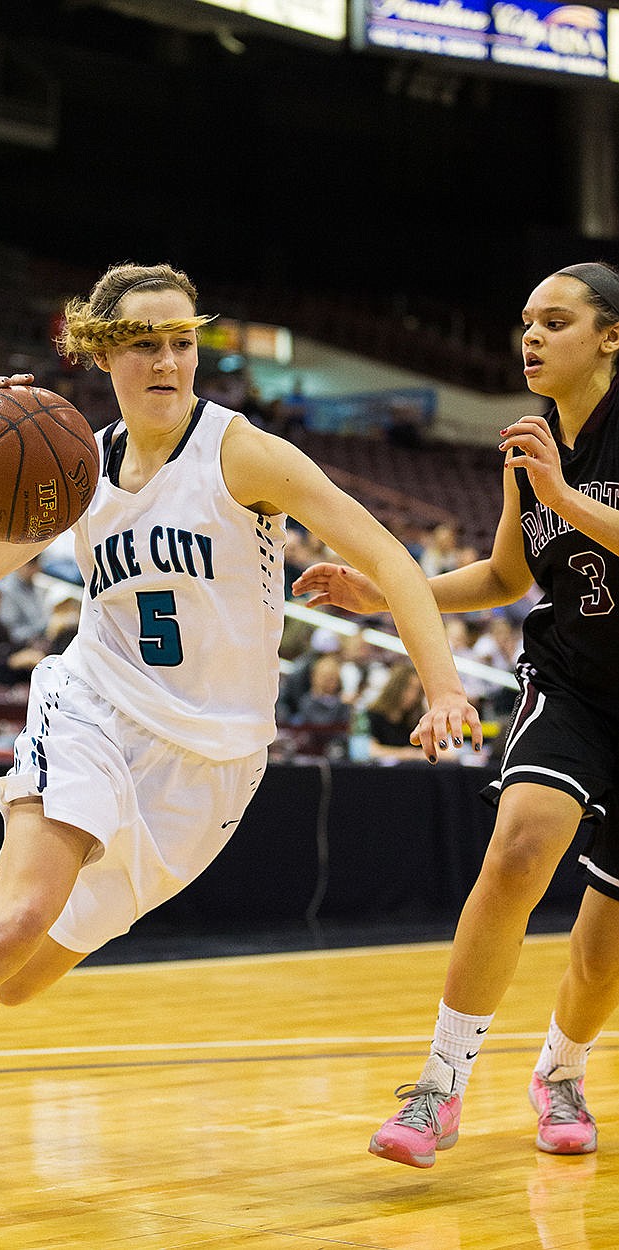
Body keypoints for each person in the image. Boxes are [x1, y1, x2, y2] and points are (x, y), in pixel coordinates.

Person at [0, 260, 481, 1224]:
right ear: (100, 352)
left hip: (211, 762)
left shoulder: (244, 455)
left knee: (23, 979)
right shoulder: (72, 467)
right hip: (91, 705)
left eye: (181, 340)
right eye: (143, 342)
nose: (166, 359)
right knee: (17, 915)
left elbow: (388, 558)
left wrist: (442, 682)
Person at [292, 260, 619, 1168]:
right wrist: (389, 595)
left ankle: (560, 1071)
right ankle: (437, 1090)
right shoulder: (529, 440)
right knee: (518, 847)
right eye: (525, 321)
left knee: (603, 948)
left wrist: (564, 499)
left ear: (611, 337)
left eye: (555, 321)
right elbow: (508, 577)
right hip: (572, 684)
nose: (531, 336)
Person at [364, 661, 428, 763]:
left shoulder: (417, 718)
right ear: (396, 687)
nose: (413, 696)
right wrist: (406, 753)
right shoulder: (373, 715)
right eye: (409, 688)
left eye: (418, 690)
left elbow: (445, 753)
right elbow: (368, 750)